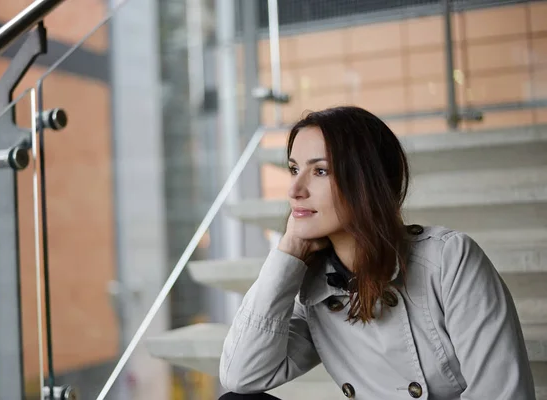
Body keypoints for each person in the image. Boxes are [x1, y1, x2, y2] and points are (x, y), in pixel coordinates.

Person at [218, 106, 536, 399]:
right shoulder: (316, 286)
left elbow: (502, 394)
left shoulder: (448, 260)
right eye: (293, 168)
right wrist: (288, 253)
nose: (294, 190)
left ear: (365, 182)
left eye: (320, 171)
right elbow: (242, 375)